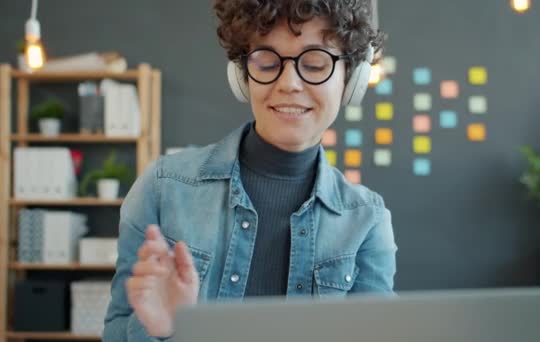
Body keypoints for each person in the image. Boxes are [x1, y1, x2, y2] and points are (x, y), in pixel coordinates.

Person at [103, 0, 397, 340]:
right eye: (267, 61)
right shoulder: (162, 189)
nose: (289, 84)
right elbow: (117, 330)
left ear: (352, 78)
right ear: (242, 75)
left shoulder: (367, 220)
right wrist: (164, 330)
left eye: (315, 64)